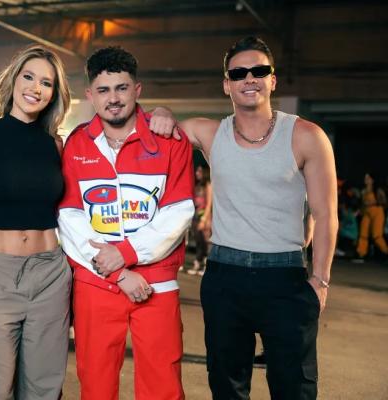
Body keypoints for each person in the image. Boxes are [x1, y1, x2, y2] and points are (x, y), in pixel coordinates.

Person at [161, 36, 338, 399]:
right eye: (239, 73)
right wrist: (161, 112)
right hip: (226, 277)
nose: (249, 79)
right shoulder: (209, 132)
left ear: (273, 79)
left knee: (294, 387)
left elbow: (326, 214)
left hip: (286, 279)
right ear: (227, 83)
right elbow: (155, 133)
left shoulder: (307, 136)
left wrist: (320, 280)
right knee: (226, 386)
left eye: (259, 71)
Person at [58, 46, 195, 400]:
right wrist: (115, 269)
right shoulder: (75, 145)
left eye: (121, 88)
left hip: (156, 282)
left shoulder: (170, 141)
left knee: (162, 384)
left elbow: (178, 211)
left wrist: (127, 252)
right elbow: (69, 217)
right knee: (96, 383)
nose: (113, 99)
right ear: (90, 95)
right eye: (103, 90)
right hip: (97, 281)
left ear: (137, 90)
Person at [0, 45, 73, 400]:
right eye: (29, 77)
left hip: (51, 273)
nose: (36, 88)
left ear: (54, 93)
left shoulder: (56, 144)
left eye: (47, 83)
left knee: (43, 388)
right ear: (13, 79)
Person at [186, 164, 212, 276]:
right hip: (195, 215)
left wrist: (205, 219)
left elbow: (209, 203)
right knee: (198, 240)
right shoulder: (198, 185)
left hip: (204, 217)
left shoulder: (208, 185)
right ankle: (197, 264)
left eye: (200, 171)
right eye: (197, 171)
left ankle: (205, 266)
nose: (197, 173)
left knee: (205, 242)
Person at [355, 172, 388, 259]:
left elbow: (384, 202)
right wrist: (359, 211)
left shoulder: (377, 190)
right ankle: (361, 253)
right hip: (366, 213)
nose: (366, 180)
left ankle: (385, 251)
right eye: (365, 178)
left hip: (377, 212)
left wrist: (374, 202)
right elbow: (362, 204)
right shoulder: (363, 191)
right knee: (363, 233)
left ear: (372, 180)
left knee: (376, 235)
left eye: (368, 178)